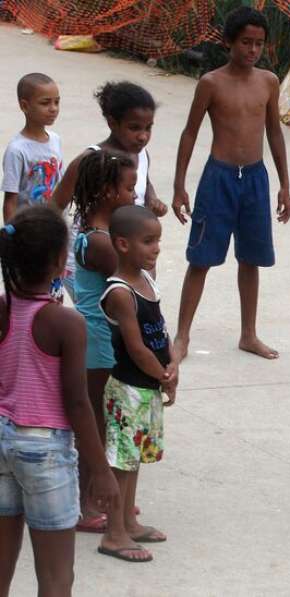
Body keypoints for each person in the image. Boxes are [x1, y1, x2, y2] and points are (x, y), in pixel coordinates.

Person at [0, 206, 119, 596]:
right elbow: (78, 403)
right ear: (57, 263)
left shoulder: (3, 309)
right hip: (44, 450)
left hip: (2, 440)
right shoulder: (66, 323)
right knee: (56, 577)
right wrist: (100, 469)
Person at [171, 6, 290, 361]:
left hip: (255, 178)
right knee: (202, 258)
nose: (252, 50)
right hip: (218, 178)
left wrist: (285, 184)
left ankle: (249, 334)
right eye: (245, 42)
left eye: (258, 43)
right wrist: (179, 185)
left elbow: (274, 132)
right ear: (229, 42)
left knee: (250, 259)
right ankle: (182, 336)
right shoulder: (211, 83)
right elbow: (190, 133)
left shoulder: (268, 82)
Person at [98, 205, 177, 562]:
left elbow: (159, 331)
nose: (156, 248)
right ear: (122, 245)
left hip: (147, 388)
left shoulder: (147, 280)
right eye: (148, 241)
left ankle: (128, 520)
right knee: (122, 464)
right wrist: (163, 375)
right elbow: (136, 347)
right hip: (128, 390)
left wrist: (172, 365)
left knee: (135, 461)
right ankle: (113, 534)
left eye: (157, 240)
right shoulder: (119, 292)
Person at [71, 150, 137, 532]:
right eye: (128, 188)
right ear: (108, 191)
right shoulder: (102, 243)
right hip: (98, 344)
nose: (133, 195)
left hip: (97, 339)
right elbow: (130, 281)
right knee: (95, 424)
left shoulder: (95, 231)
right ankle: (85, 504)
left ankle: (101, 495)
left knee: (102, 421)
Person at [52, 81, 167, 299]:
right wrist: (50, 252)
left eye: (148, 128)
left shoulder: (141, 154)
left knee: (132, 305)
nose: (143, 136)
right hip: (91, 256)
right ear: (113, 123)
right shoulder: (92, 160)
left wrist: (152, 198)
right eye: (134, 128)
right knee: (105, 315)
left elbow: (144, 181)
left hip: (129, 248)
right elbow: (56, 204)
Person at [2, 73, 65, 300]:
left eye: (57, 101)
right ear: (24, 106)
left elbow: (59, 184)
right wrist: (13, 238)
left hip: (53, 230)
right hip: (30, 235)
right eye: (45, 103)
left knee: (54, 294)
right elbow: (10, 200)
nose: (53, 108)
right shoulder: (17, 150)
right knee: (29, 294)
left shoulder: (56, 140)